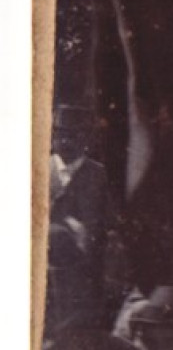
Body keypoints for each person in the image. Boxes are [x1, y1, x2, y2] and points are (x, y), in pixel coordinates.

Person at [48, 104, 110, 309]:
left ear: (87, 139)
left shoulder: (99, 175)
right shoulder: (41, 170)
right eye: (60, 134)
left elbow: (103, 227)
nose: (65, 141)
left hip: (84, 273)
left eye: (74, 136)